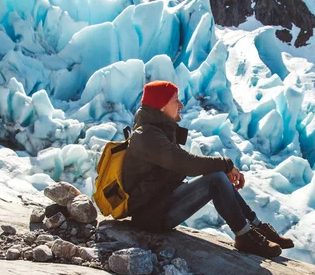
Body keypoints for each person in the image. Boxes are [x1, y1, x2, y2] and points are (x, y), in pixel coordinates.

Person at [122, 81, 294, 258]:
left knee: (217, 176)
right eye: (175, 100)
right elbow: (187, 164)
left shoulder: (157, 131)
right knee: (216, 179)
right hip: (151, 216)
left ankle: (256, 225)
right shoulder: (147, 136)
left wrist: (222, 167)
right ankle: (244, 236)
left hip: (159, 204)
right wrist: (225, 164)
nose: (180, 104)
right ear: (161, 105)